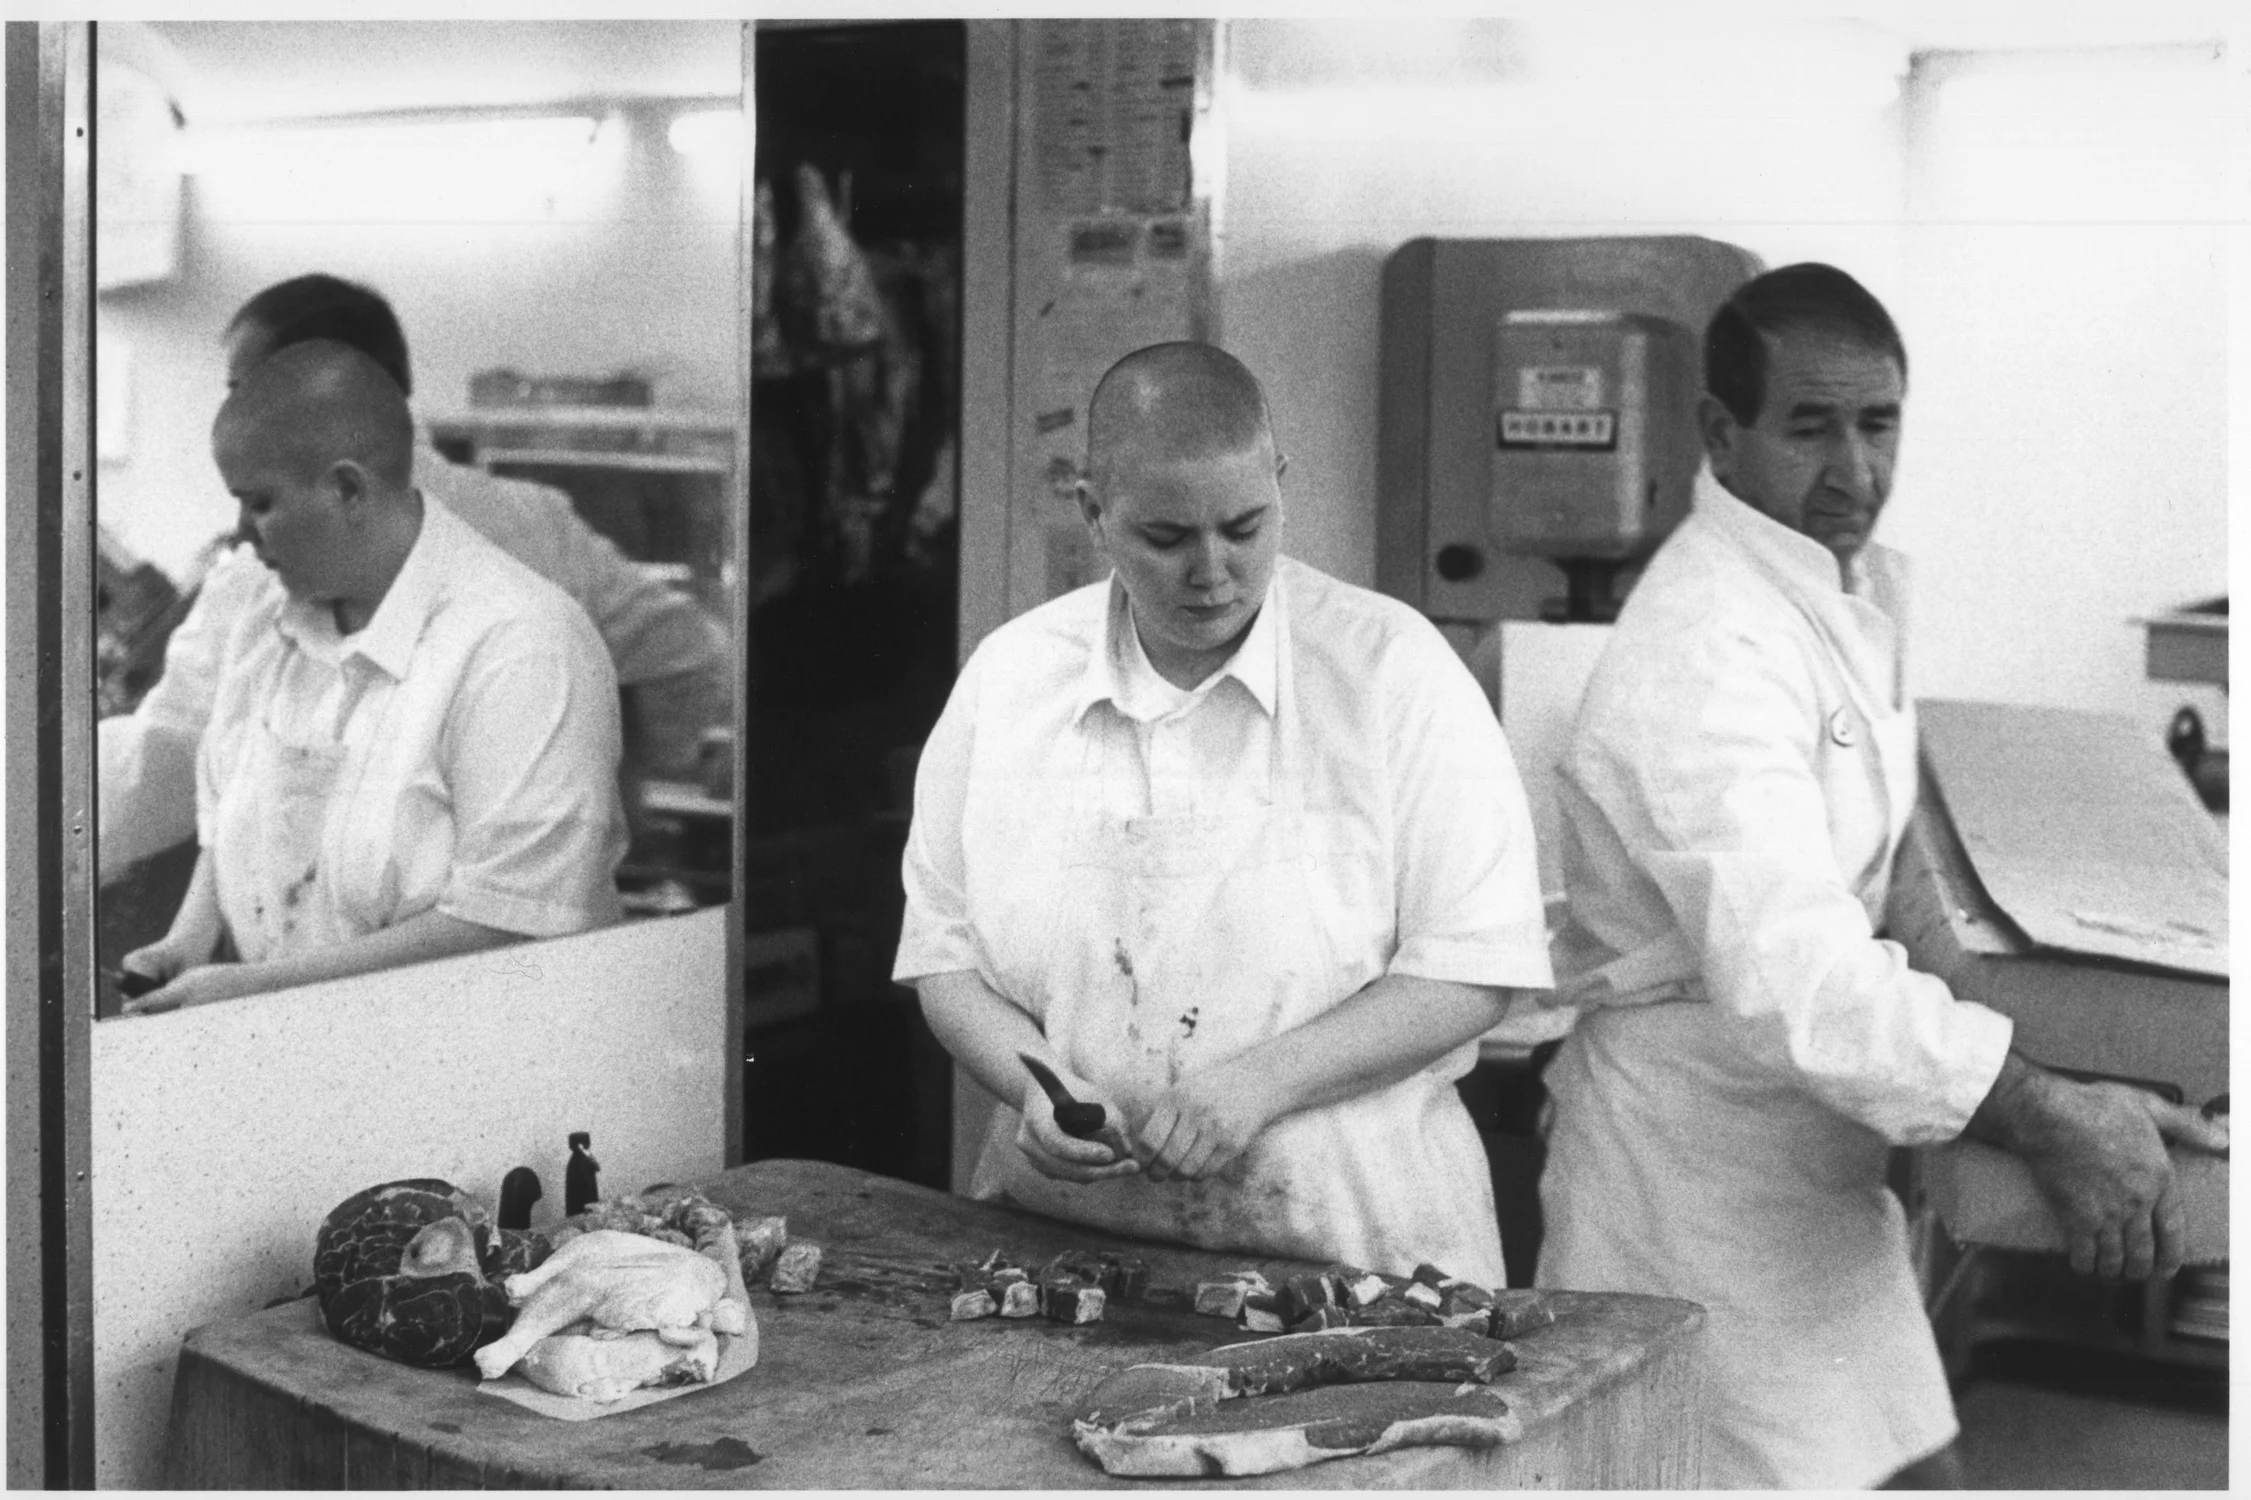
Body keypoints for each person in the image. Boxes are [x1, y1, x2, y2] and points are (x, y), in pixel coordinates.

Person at [1535, 263, 2230, 1489]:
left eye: (1878, 423)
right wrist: (2045, 1111)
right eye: (1809, 427)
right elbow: (1799, 978)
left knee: (1913, 1470)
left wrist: (2071, 1056)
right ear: (1720, 433)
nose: (1853, 469)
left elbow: (1876, 865)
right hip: (1689, 1190)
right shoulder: (1705, 651)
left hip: (1814, 1164)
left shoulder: (1833, 589)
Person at [893, 342, 1552, 1284]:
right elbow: (944, 959)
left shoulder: (1389, 672)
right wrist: (1035, 1087)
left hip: (1355, 1251)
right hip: (1067, 1247)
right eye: (1165, 538)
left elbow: (1473, 969)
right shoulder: (1011, 678)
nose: (1212, 571)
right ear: (1092, 511)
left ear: (1279, 485)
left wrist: (1259, 1086)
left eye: (1244, 527)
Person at [98, 273, 729, 877]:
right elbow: (689, 653)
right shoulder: (534, 522)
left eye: (245, 392)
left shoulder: (270, 566)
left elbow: (166, 764)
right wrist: (617, 774)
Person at [118, 341, 627, 1013]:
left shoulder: (522, 646)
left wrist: (256, 991)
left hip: (472, 1052)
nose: (243, 533)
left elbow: (508, 924)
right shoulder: (265, 619)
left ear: (347, 488)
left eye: (260, 503)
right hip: (301, 1039)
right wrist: (189, 940)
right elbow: (235, 815)